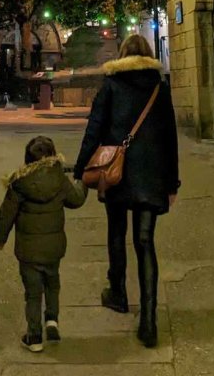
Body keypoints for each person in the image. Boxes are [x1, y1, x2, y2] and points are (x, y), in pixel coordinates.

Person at [73, 34, 179, 349]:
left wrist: (81, 170)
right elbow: (169, 137)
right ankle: (148, 320)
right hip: (152, 174)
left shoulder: (111, 86)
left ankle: (117, 292)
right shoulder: (160, 88)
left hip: (116, 173)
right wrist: (172, 182)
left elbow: (94, 129)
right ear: (148, 56)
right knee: (145, 241)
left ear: (121, 56)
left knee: (116, 232)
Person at [0, 135, 87, 352]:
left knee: (33, 293)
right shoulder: (60, 179)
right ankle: (52, 320)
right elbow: (76, 200)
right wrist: (83, 183)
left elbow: (6, 214)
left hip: (28, 251)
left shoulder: (18, 183)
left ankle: (34, 337)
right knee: (52, 283)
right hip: (54, 249)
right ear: (53, 157)